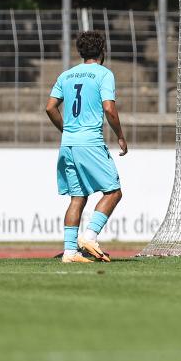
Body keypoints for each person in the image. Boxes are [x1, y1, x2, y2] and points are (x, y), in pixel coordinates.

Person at [45, 31, 126, 264]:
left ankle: (70, 252)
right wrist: (120, 136)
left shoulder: (66, 75)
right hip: (90, 142)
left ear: (80, 52)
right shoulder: (104, 74)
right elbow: (109, 108)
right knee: (114, 192)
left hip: (68, 144)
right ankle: (89, 238)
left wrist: (67, 130)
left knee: (77, 197)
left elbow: (50, 107)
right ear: (103, 51)